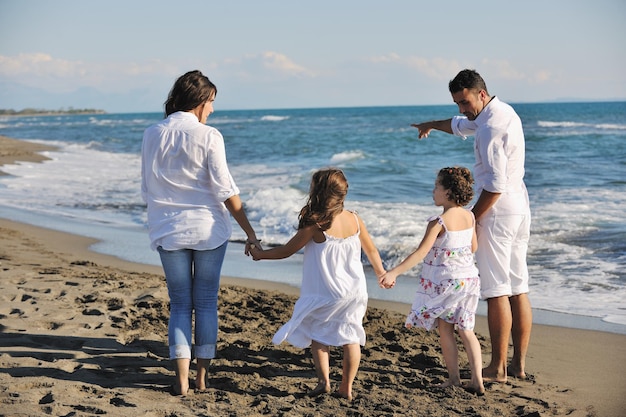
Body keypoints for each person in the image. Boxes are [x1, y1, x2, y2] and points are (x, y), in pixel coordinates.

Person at [141, 70, 261, 396]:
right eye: (211, 103)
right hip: (208, 230)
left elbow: (146, 187)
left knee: (180, 304)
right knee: (206, 302)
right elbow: (227, 191)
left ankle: (180, 381)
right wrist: (250, 232)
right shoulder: (209, 136)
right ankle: (201, 378)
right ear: (200, 101)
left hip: (168, 230)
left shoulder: (152, 133)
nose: (212, 110)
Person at [411, 69, 532, 383]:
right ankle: (518, 365)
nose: (462, 109)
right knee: (518, 287)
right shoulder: (502, 111)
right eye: (457, 104)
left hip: (498, 210)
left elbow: (494, 185)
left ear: (480, 92)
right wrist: (431, 126)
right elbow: (459, 125)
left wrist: (470, 220)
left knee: (497, 291)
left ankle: (498, 368)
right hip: (519, 207)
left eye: (464, 102)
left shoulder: (492, 126)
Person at [249, 168, 385, 401]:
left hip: (326, 291)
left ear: (318, 192)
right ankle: (346, 387)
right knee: (351, 336)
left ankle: (324, 382)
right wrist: (381, 272)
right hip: (355, 291)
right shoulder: (355, 219)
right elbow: (371, 250)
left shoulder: (316, 223)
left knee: (317, 334)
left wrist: (261, 255)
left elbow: (287, 250)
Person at [379, 166, 484, 395]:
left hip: (446, 282)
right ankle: (477, 380)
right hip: (469, 280)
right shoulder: (469, 216)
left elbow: (420, 253)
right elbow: (473, 247)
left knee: (445, 329)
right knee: (467, 329)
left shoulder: (438, 221)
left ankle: (454, 379)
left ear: (447, 192)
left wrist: (394, 272)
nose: (433, 190)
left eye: (436, 186)